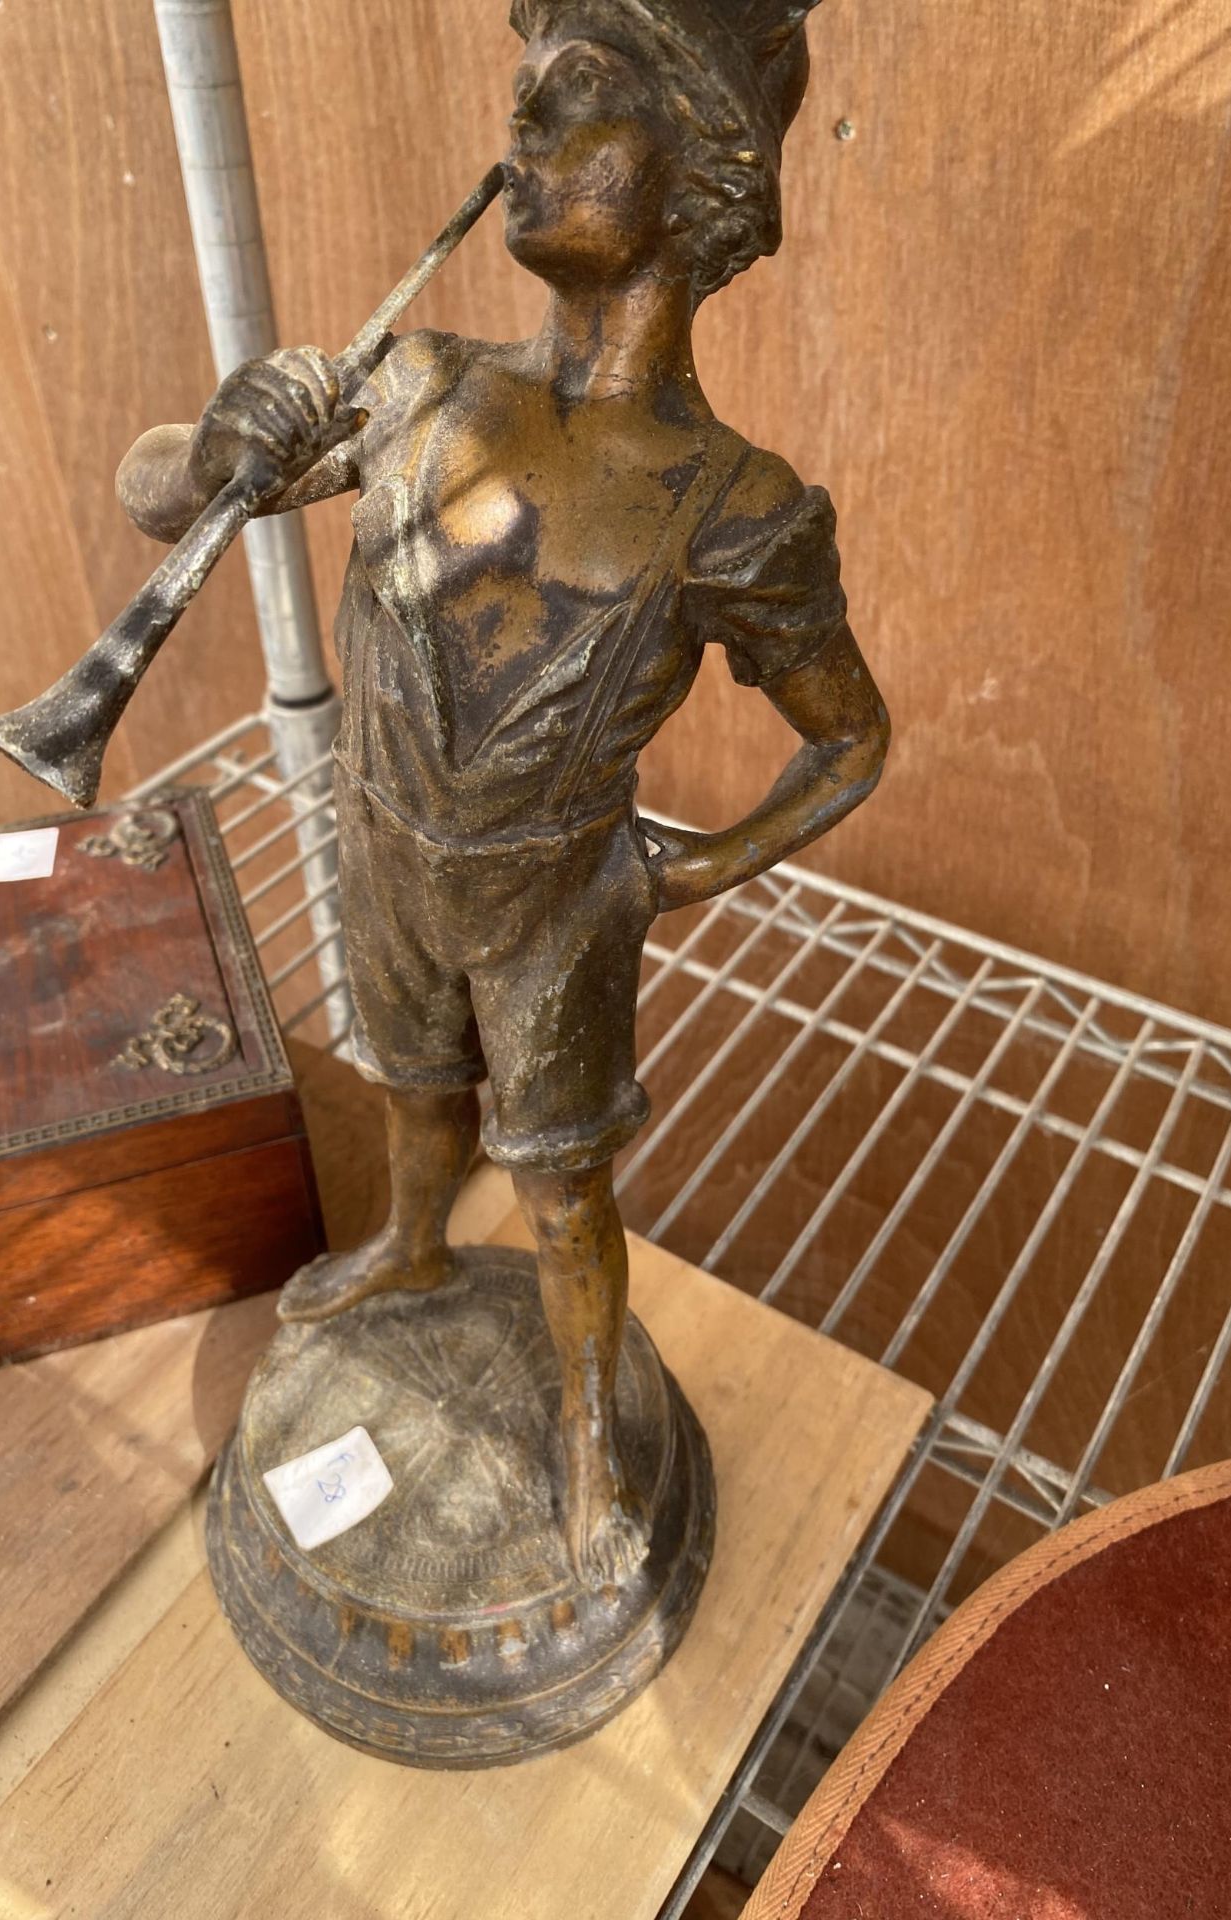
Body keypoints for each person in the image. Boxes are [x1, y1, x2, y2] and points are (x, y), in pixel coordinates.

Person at [115, 0, 889, 1588]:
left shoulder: (737, 512)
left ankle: (595, 1432)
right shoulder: (413, 385)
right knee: (408, 1079)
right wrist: (213, 445)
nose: (517, 138)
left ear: (696, 179)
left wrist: (688, 870)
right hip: (386, 843)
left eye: (574, 103)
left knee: (561, 1181)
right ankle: (405, 1245)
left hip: (557, 903)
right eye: (519, 98)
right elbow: (151, 495)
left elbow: (852, 741)